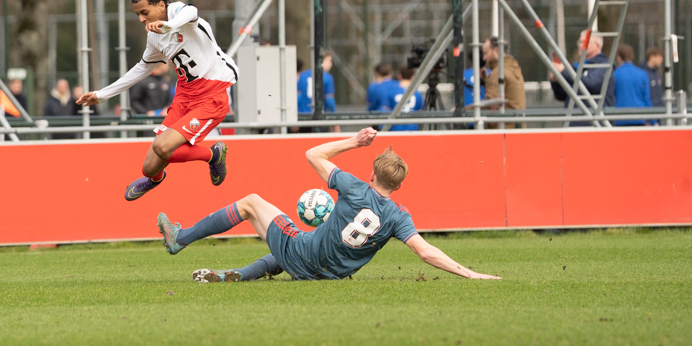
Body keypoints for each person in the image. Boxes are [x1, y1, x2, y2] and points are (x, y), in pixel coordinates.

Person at [156, 128, 500, 282]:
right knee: (285, 250)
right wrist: (470, 273)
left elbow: (312, 154)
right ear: (399, 184)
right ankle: (239, 275)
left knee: (251, 202)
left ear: (372, 174)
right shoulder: (398, 217)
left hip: (304, 257)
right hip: (330, 275)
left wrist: (355, 141)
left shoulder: (353, 188)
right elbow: (427, 254)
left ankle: (180, 237)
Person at [76, 0, 236, 200]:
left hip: (211, 94)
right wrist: (102, 94)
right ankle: (156, 179)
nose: (141, 19)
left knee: (162, 146)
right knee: (150, 167)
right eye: (138, 15)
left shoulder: (179, 13)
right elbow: (142, 69)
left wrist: (169, 26)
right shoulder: (154, 37)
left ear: (161, 6)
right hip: (184, 95)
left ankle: (213, 155)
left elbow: (192, 12)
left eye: (145, 12)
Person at [550, 30, 615, 123]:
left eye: (584, 42)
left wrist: (564, 71)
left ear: (597, 45)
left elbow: (591, 83)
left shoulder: (604, 65)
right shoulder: (578, 67)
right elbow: (561, 95)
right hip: (574, 122)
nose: (580, 45)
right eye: (579, 42)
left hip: (594, 124)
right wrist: (556, 81)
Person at [481, 37, 526, 129]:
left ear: (496, 50)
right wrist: (486, 80)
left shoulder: (498, 72)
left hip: (502, 131)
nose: (484, 58)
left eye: (486, 53)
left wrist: (465, 110)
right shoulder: (513, 67)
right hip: (518, 127)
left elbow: (491, 103)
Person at [129, 63, 173, 137]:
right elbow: (134, 101)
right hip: (146, 125)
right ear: (161, 64)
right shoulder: (143, 81)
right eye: (167, 63)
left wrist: (167, 109)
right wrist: (146, 112)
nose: (168, 66)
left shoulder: (165, 81)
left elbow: (170, 100)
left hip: (163, 123)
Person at [612, 45, 652, 126]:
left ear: (619, 58)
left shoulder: (615, 75)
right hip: (639, 118)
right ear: (632, 56)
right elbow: (646, 98)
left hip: (620, 118)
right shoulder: (642, 74)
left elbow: (611, 96)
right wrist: (653, 121)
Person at [382, 66, 423, 131]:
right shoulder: (417, 93)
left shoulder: (392, 92)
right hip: (413, 127)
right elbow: (421, 110)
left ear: (399, 76)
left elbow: (385, 109)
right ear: (412, 76)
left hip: (396, 127)